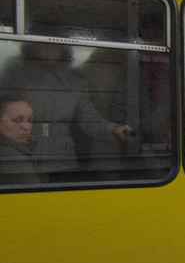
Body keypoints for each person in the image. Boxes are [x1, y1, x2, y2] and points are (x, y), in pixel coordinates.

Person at [0, 42, 132, 179]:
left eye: (56, 46)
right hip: (24, 152)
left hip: (62, 157)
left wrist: (113, 130)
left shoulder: (75, 82)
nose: (50, 51)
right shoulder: (17, 73)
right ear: (33, 48)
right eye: (45, 45)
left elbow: (89, 118)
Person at [0, 95, 47, 184]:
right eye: (17, 120)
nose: (26, 127)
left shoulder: (24, 149)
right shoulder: (10, 156)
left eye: (30, 120)